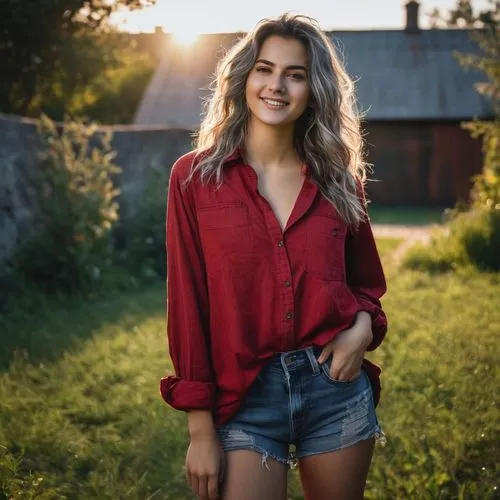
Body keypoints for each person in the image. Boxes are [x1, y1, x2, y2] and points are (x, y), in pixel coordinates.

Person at [160, 13, 388, 500]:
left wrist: (364, 325)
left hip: (335, 388)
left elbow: (365, 283)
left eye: (295, 74)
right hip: (242, 396)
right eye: (264, 69)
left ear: (314, 89)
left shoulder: (339, 181)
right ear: (244, 78)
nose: (276, 85)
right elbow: (187, 303)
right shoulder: (195, 179)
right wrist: (201, 431)